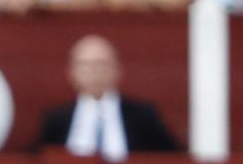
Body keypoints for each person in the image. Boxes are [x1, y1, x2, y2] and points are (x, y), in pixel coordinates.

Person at [32, 33, 181, 157]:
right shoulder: (56, 120)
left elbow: (174, 159)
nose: (94, 71)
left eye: (101, 64)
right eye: (85, 65)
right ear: (72, 73)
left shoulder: (142, 116)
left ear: (117, 69)